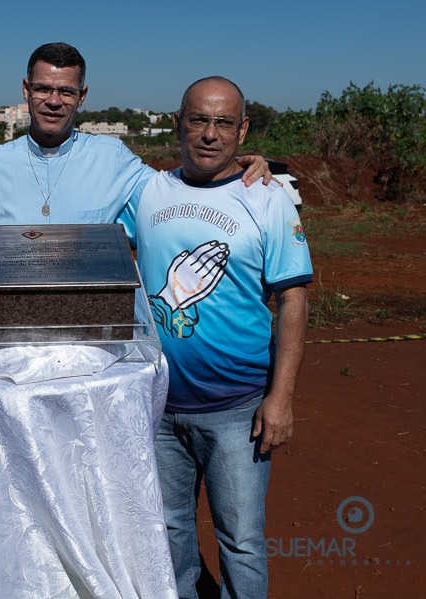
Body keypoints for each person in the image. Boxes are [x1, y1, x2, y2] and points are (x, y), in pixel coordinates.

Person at [117, 76, 312, 597]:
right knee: (169, 531)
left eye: (224, 122)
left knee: (242, 542)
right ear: (177, 124)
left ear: (242, 130)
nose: (209, 133)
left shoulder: (268, 200)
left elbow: (293, 300)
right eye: (198, 120)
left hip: (238, 409)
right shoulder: (147, 192)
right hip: (157, 406)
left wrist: (282, 397)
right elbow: (83, 234)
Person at [0, 42, 272, 255]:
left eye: (66, 91)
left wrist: (239, 168)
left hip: (87, 334)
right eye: (43, 88)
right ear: (26, 89)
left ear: (83, 95)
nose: (54, 101)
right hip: (11, 332)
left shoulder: (114, 159)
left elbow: (179, 189)